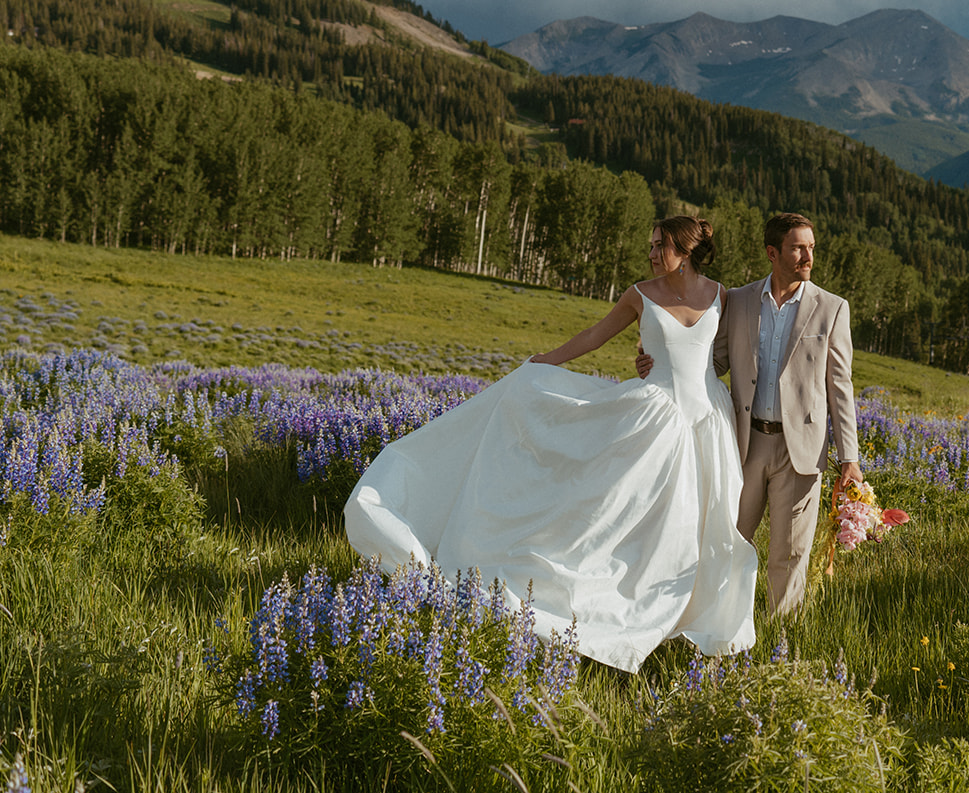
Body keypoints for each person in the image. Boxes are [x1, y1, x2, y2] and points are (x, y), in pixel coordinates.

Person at [344, 216, 757, 673]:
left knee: (703, 521)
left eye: (661, 246)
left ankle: (686, 614)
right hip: (655, 417)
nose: (652, 254)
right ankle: (628, 613)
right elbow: (595, 335)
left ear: (684, 249)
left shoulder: (720, 294)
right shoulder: (640, 293)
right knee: (641, 518)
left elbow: (717, 356)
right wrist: (544, 362)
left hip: (707, 420)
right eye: (652, 246)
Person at [640, 212, 861, 614]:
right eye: (798, 247)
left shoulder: (832, 308)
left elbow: (839, 387)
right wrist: (657, 359)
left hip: (801, 453)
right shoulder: (739, 300)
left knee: (789, 555)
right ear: (772, 253)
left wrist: (850, 458)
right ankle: (715, 628)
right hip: (742, 444)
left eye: (811, 247)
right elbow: (713, 360)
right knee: (726, 541)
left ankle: (780, 648)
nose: (808, 256)